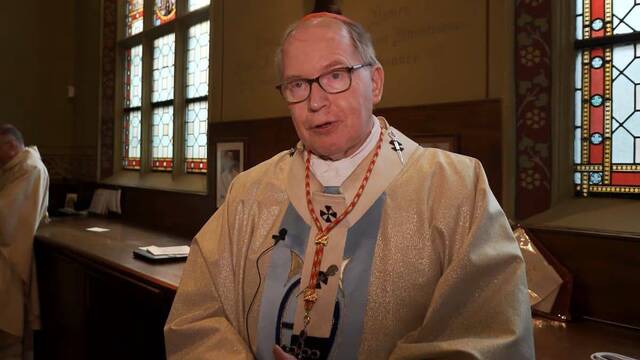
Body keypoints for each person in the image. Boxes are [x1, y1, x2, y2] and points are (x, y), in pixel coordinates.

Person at [165, 12, 534, 359]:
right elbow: (196, 316)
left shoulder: (456, 189)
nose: (316, 101)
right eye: (297, 85)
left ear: (374, 83)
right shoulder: (249, 192)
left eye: (336, 75)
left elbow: (487, 337)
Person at [0, 124, 49, 359]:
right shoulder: (15, 168)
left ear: (10, 146)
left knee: (9, 331)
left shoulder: (30, 169)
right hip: (7, 256)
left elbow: (6, 221)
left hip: (10, 261)